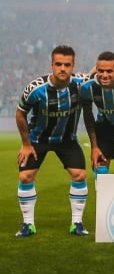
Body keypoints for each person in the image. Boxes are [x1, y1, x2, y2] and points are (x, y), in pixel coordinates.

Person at [14, 45, 89, 237]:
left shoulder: (81, 85)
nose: (62, 68)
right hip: (38, 139)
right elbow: (21, 113)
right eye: (58, 64)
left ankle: (77, 224)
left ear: (73, 66)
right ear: (51, 65)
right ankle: (28, 225)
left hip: (67, 139)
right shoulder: (36, 88)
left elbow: (98, 75)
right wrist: (26, 144)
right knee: (25, 177)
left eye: (67, 64)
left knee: (79, 175)